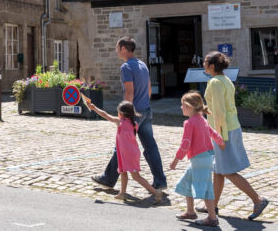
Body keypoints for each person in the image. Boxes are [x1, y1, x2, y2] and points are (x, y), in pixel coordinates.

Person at [91, 37, 167, 197]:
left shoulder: (126, 67)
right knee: (151, 147)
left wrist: (126, 113)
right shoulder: (143, 65)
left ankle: (108, 179)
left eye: (118, 47)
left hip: (134, 113)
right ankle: (160, 181)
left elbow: (129, 91)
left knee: (121, 146)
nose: (116, 50)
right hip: (146, 110)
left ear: (124, 48)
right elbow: (149, 90)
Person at [202, 50, 269, 221]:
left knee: (228, 171)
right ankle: (212, 206)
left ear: (211, 66)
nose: (203, 64)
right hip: (230, 127)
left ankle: (257, 200)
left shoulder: (215, 82)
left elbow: (219, 112)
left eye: (205, 62)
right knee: (218, 170)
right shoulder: (225, 80)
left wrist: (219, 136)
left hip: (223, 130)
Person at [83, 95, 164, 204]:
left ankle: (155, 193)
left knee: (136, 176)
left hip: (129, 154)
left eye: (118, 112)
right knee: (123, 172)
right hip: (128, 153)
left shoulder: (120, 122)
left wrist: (94, 108)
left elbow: (105, 115)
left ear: (122, 114)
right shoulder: (133, 123)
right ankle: (123, 192)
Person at [171, 91, 225, 226]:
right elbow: (213, 133)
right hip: (204, 158)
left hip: (199, 159)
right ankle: (190, 211)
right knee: (187, 181)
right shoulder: (202, 119)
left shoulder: (190, 123)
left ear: (189, 106)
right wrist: (221, 141)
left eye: (182, 105)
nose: (181, 107)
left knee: (206, 188)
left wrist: (176, 160)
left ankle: (212, 218)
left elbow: (186, 143)